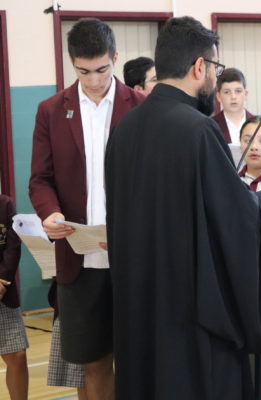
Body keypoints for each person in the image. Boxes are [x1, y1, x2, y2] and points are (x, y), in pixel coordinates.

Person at [105, 16, 261, 399]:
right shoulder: (197, 129)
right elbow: (234, 216)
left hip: (138, 306)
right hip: (189, 315)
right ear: (200, 66)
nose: (215, 77)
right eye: (215, 67)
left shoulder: (124, 129)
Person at [29, 17, 145, 399]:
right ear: (71, 63)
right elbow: (40, 179)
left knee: (138, 359)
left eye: (102, 70)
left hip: (132, 259)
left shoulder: (141, 107)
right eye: (83, 71)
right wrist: (50, 214)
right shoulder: (50, 110)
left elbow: (155, 183)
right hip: (78, 261)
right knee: (92, 363)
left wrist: (134, 230)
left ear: (116, 58)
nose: (94, 81)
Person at [0, 194, 28, 400]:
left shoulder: (5, 204)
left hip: (3, 289)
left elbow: (13, 246)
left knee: (17, 355)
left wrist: (2, 279)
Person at [212, 68, 254, 144]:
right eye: (227, 92)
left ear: (245, 94)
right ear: (219, 97)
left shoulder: (258, 124)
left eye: (238, 91)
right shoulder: (211, 125)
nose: (233, 97)